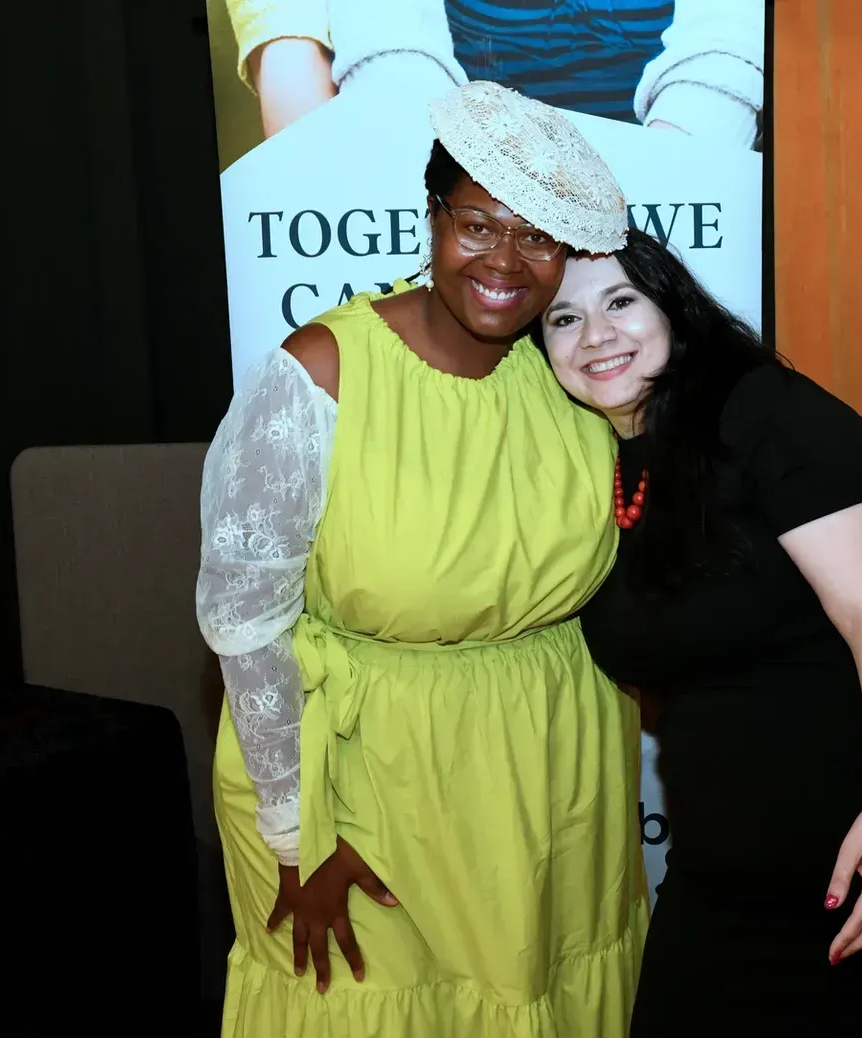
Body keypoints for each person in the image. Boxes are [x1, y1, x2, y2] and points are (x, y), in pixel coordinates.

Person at [535, 229, 862, 1035]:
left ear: (670, 304)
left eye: (620, 301)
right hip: (734, 881)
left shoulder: (765, 411)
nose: (598, 335)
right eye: (563, 319)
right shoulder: (595, 467)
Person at [196, 81, 646, 1036]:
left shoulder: (572, 372)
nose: (506, 261)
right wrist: (294, 837)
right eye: (479, 225)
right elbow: (244, 626)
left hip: (549, 774)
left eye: (539, 236)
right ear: (431, 215)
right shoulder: (320, 371)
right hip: (358, 783)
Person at [226, 0, 763, 149]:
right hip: (462, 189)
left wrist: (672, 178)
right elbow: (390, 48)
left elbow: (728, 49)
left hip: (681, 199)